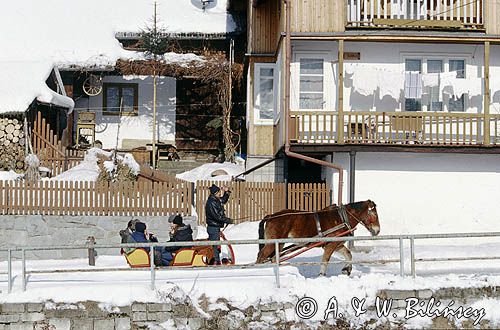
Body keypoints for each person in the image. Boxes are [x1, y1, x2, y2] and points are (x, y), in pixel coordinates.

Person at [205, 184, 233, 265]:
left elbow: (223, 200)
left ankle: (216, 260)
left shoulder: (215, 200)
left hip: (215, 227)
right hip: (213, 227)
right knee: (214, 246)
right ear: (215, 193)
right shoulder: (211, 202)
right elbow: (217, 216)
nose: (220, 194)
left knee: (216, 245)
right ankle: (215, 262)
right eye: (219, 192)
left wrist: (226, 192)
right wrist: (228, 220)